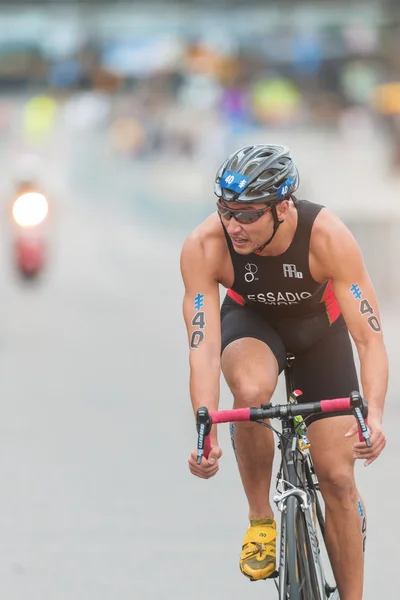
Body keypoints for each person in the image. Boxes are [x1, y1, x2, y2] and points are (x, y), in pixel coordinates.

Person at [180, 144, 388, 600]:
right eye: (225, 211)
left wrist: (372, 415)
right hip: (252, 326)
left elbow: (369, 336)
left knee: (336, 476)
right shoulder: (204, 245)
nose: (233, 225)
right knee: (251, 390)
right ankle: (261, 521)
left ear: (283, 206)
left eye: (248, 215)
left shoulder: (327, 236)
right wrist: (205, 428)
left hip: (321, 334)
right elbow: (203, 344)